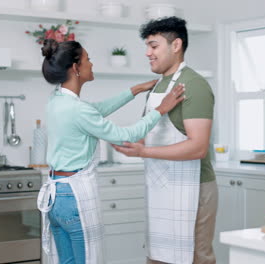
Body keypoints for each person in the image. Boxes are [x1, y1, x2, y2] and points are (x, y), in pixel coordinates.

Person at [36, 38, 185, 264]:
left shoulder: (56, 100)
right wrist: (160, 109)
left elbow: (95, 110)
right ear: (76, 68)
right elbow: (127, 136)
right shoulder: (77, 110)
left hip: (57, 198)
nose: (92, 64)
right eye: (88, 60)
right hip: (74, 197)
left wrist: (135, 90)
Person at [112, 17, 218, 264]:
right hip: (161, 186)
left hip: (194, 188)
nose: (148, 53)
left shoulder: (194, 85)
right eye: (147, 47)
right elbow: (145, 131)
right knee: (159, 257)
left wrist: (143, 152)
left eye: (153, 46)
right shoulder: (157, 86)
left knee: (194, 258)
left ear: (176, 45)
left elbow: (198, 147)